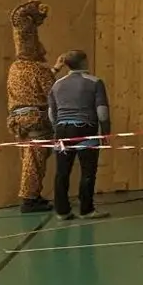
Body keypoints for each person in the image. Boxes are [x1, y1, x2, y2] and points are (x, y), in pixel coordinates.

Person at [48, 50, 111, 220]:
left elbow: (51, 113)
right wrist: (106, 132)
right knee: (88, 171)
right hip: (85, 129)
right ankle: (86, 209)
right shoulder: (95, 82)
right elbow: (102, 112)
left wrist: (57, 130)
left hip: (62, 130)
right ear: (84, 62)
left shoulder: (56, 85)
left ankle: (62, 211)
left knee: (62, 171)